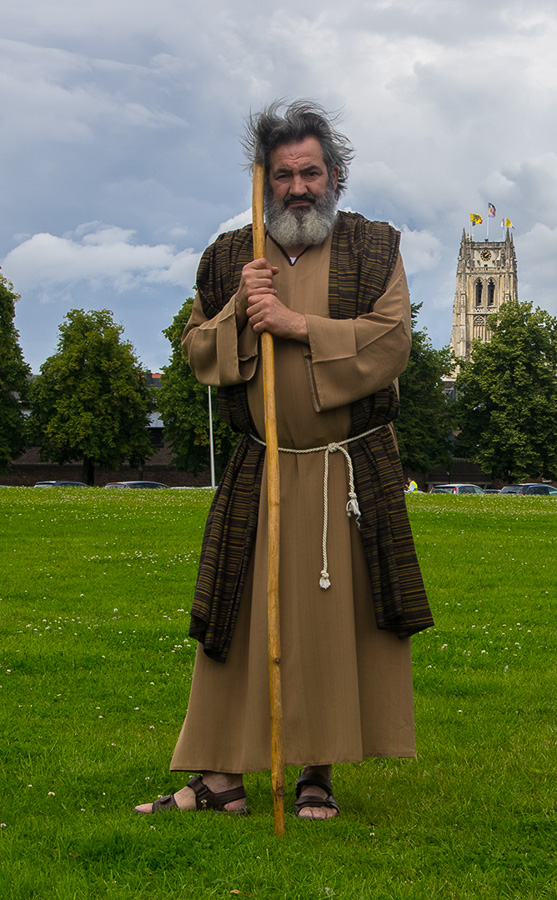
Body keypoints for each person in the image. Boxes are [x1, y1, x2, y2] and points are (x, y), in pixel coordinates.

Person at [135, 100, 433, 820]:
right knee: (237, 623)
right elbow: (200, 355)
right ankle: (222, 777)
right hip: (261, 467)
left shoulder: (373, 248)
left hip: (343, 472)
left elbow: (391, 343)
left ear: (335, 175)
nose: (298, 187)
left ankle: (316, 774)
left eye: (311, 172)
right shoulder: (229, 258)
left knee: (331, 624)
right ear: (262, 180)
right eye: (283, 174)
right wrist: (240, 306)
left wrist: (296, 324)